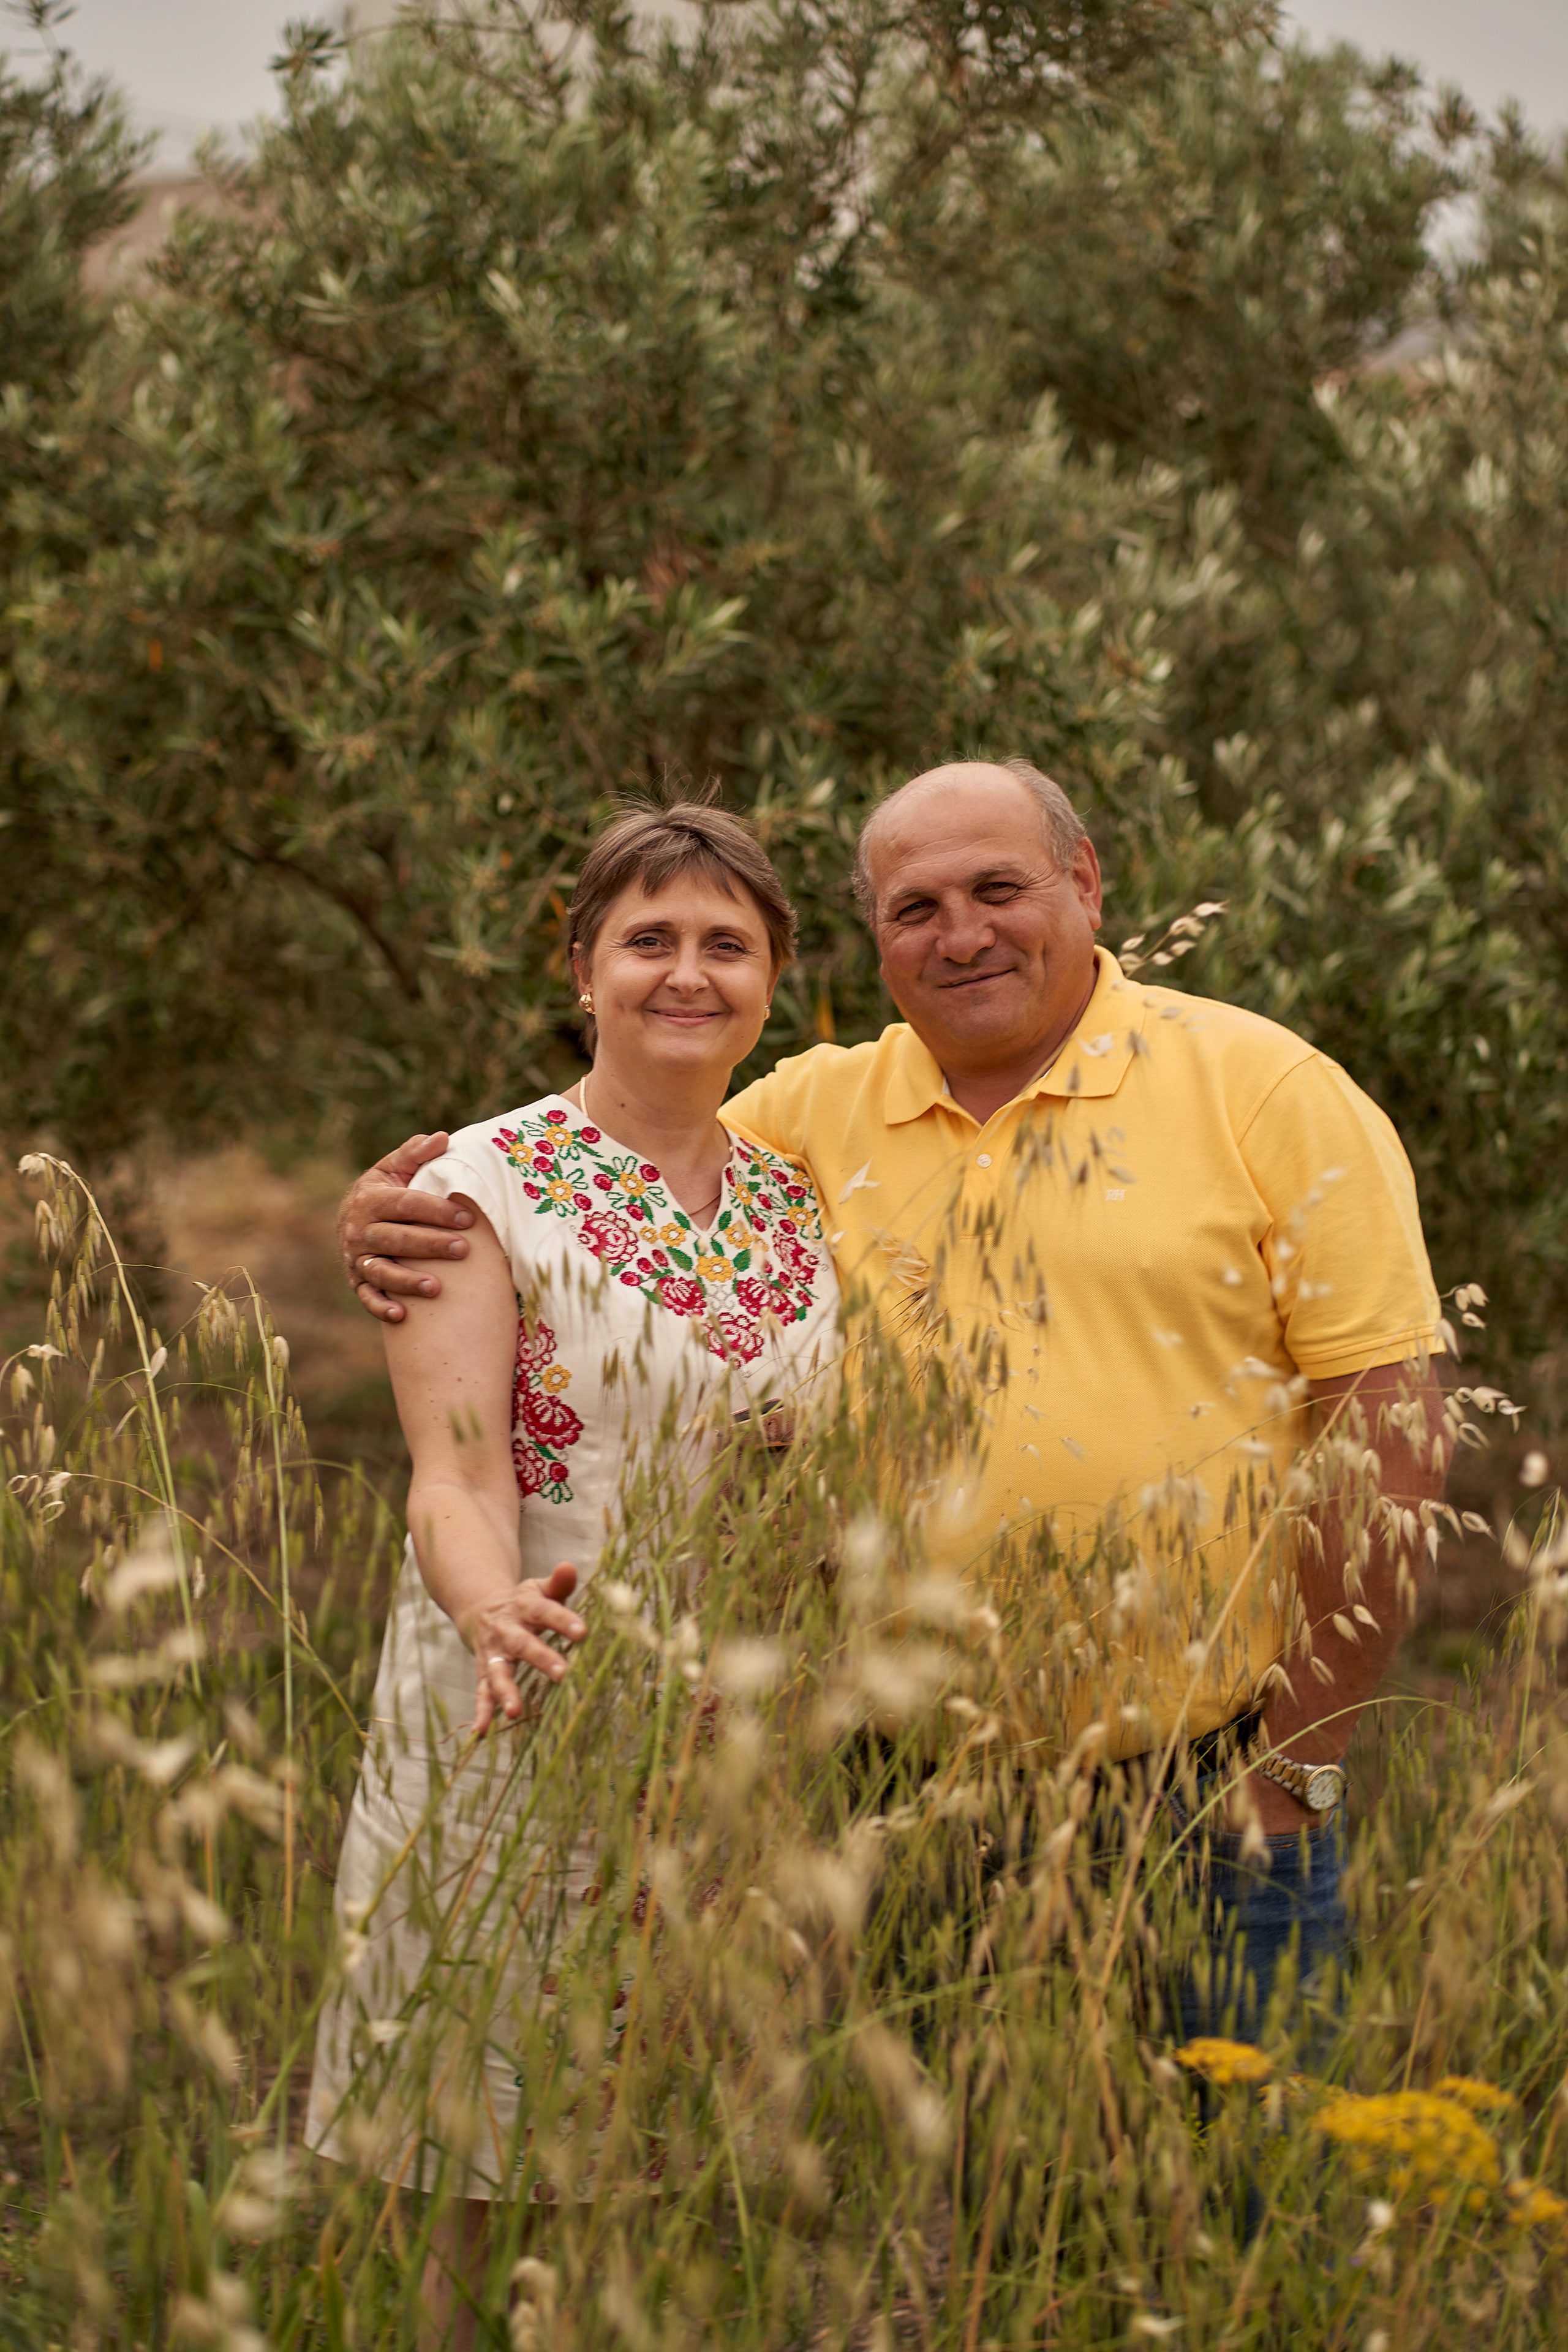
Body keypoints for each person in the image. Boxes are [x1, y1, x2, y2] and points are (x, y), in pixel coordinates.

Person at [341, 758, 1447, 2043]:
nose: (960, 934)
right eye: (914, 909)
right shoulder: (805, 1116)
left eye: (997, 889)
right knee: (987, 2224)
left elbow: (1391, 1427)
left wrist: (1295, 1762)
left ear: (1083, 883)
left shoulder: (1261, 1089)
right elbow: (601, 1178)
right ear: (873, 943)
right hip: (916, 1798)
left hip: (1202, 1792)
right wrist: (406, 1218)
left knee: (1235, 2207)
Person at [307, 802, 840, 2350]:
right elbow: (454, 1474)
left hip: (720, 1733)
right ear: (583, 969)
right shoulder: (482, 1185)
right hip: (519, 1705)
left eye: (724, 944)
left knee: (664, 2151)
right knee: (476, 2153)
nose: (688, 973)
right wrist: (489, 1608)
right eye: (649, 939)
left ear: (774, 979)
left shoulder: (798, 1202)